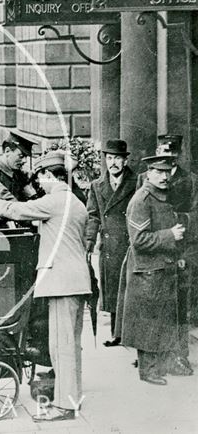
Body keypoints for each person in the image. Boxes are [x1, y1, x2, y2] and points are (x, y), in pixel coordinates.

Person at [0, 150, 90, 421]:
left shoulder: (55, 201)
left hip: (62, 283)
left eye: (41, 177)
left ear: (50, 176)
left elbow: (17, 210)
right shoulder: (74, 202)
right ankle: (72, 398)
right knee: (72, 345)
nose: (39, 183)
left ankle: (65, 406)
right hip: (76, 281)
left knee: (61, 346)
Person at [121, 155, 192, 385]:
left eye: (167, 172)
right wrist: (170, 236)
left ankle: (157, 366)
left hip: (162, 267)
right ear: (148, 173)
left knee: (160, 318)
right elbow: (139, 240)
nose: (164, 176)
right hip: (148, 271)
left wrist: (177, 255)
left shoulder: (161, 195)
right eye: (159, 172)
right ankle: (147, 370)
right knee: (148, 321)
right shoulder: (142, 199)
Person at [85, 139, 136, 347]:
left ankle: (130, 334)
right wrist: (89, 242)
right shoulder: (97, 186)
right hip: (109, 245)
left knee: (130, 288)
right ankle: (117, 333)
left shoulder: (136, 182)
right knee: (114, 287)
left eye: (117, 158)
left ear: (125, 160)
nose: (112, 162)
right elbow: (93, 215)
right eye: (109, 158)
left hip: (130, 242)